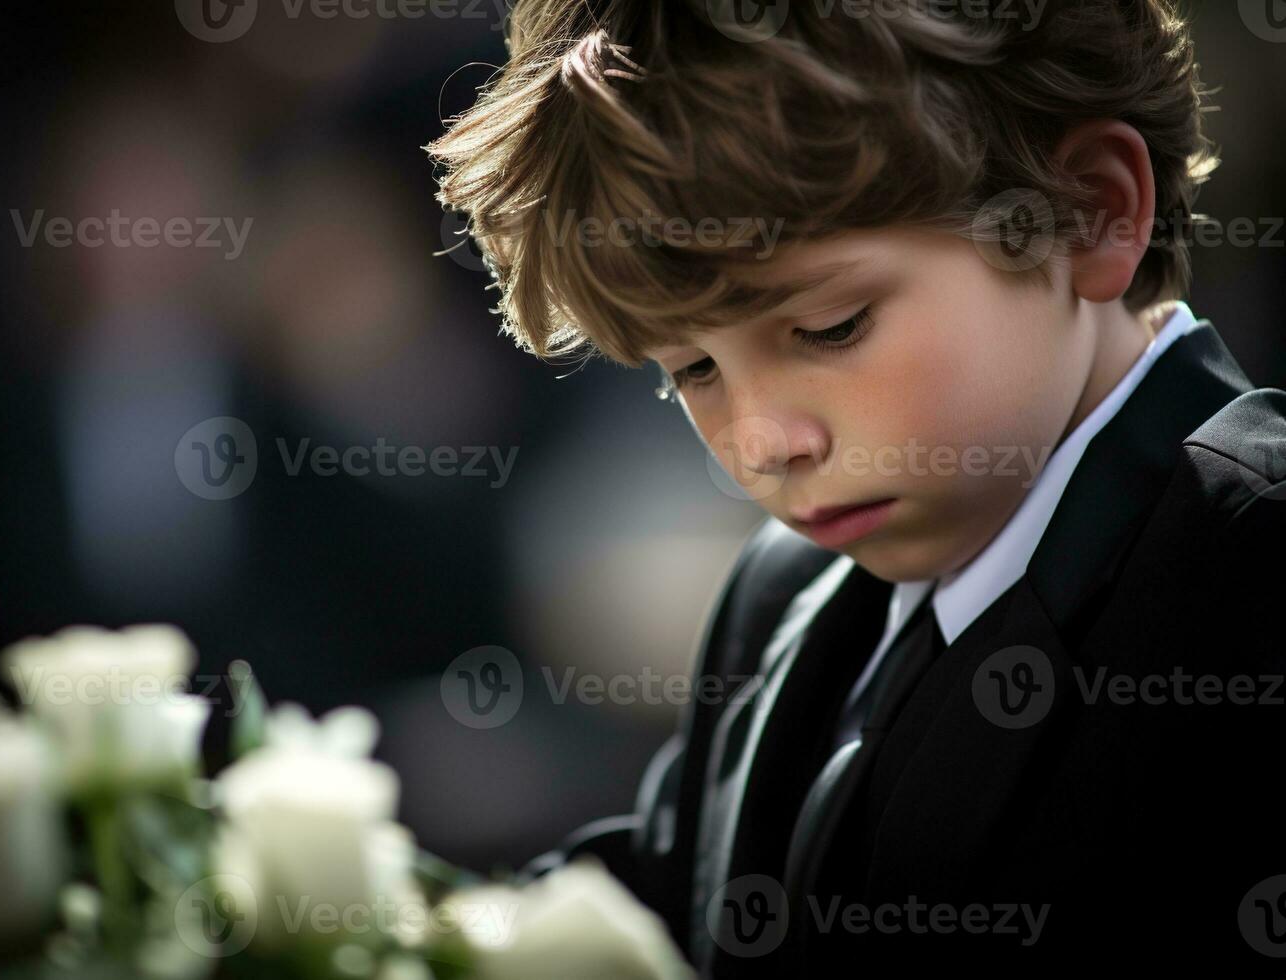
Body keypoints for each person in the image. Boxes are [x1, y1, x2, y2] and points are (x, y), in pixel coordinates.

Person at [426, 1, 1286, 972]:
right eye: (691, 370)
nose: (756, 443)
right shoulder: (781, 592)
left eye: (831, 327)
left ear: (1087, 208)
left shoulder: (1256, 569)